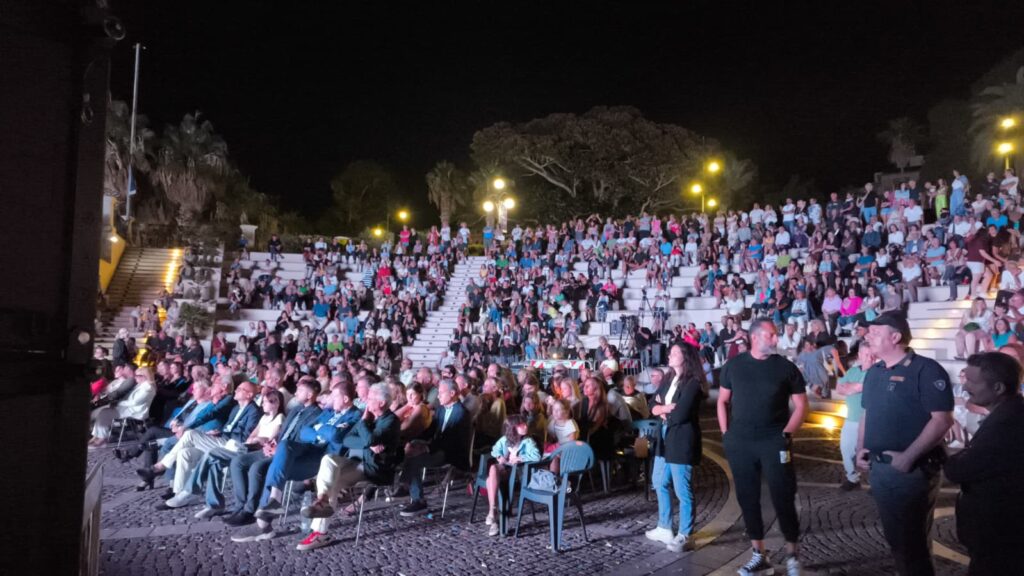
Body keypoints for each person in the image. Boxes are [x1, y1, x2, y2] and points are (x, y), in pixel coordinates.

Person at [856, 311, 953, 576]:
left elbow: (942, 420)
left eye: (876, 332)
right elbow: (867, 413)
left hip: (913, 472)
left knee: (913, 543)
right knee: (896, 540)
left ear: (896, 337)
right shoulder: (874, 372)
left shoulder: (926, 369)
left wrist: (908, 457)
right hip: (880, 469)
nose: (868, 336)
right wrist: (859, 449)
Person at [717, 317, 808, 576]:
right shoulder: (733, 366)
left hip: (774, 441)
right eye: (771, 335)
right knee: (747, 497)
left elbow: (801, 406)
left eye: (776, 334)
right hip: (741, 442)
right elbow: (723, 401)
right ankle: (759, 554)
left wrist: (787, 434)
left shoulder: (786, 367)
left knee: (783, 495)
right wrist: (726, 434)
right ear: (755, 337)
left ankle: (793, 554)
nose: (776, 339)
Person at [944, 352, 1024, 575]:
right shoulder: (1010, 413)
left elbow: (961, 470)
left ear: (998, 388)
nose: (965, 386)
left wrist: (941, 450)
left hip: (1000, 532)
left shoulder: (1007, 423)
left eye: (972, 381)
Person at [645, 343, 705, 554]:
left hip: (682, 440)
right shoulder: (669, 378)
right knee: (659, 481)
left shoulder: (693, 383)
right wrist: (663, 408)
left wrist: (664, 411)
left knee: (682, 490)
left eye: (675, 353)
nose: (669, 355)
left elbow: (681, 415)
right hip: (665, 437)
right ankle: (664, 526)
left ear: (685, 357)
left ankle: (685, 533)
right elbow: (652, 402)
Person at [483, 415, 541, 536]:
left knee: (490, 480)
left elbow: (537, 456)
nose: (525, 426)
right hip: (505, 470)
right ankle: (494, 512)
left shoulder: (527, 441)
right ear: (513, 428)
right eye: (521, 424)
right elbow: (494, 449)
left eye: (524, 423)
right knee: (494, 468)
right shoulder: (504, 440)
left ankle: (493, 514)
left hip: (517, 474)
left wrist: (521, 458)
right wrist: (500, 457)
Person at [836, 342, 873, 491]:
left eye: (871, 354)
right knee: (846, 449)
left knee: (871, 451)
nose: (869, 358)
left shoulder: (877, 371)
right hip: (851, 418)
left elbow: (857, 387)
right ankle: (852, 478)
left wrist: (852, 387)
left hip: (872, 420)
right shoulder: (852, 371)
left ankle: (875, 482)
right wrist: (855, 387)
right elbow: (839, 388)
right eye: (865, 354)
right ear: (859, 356)